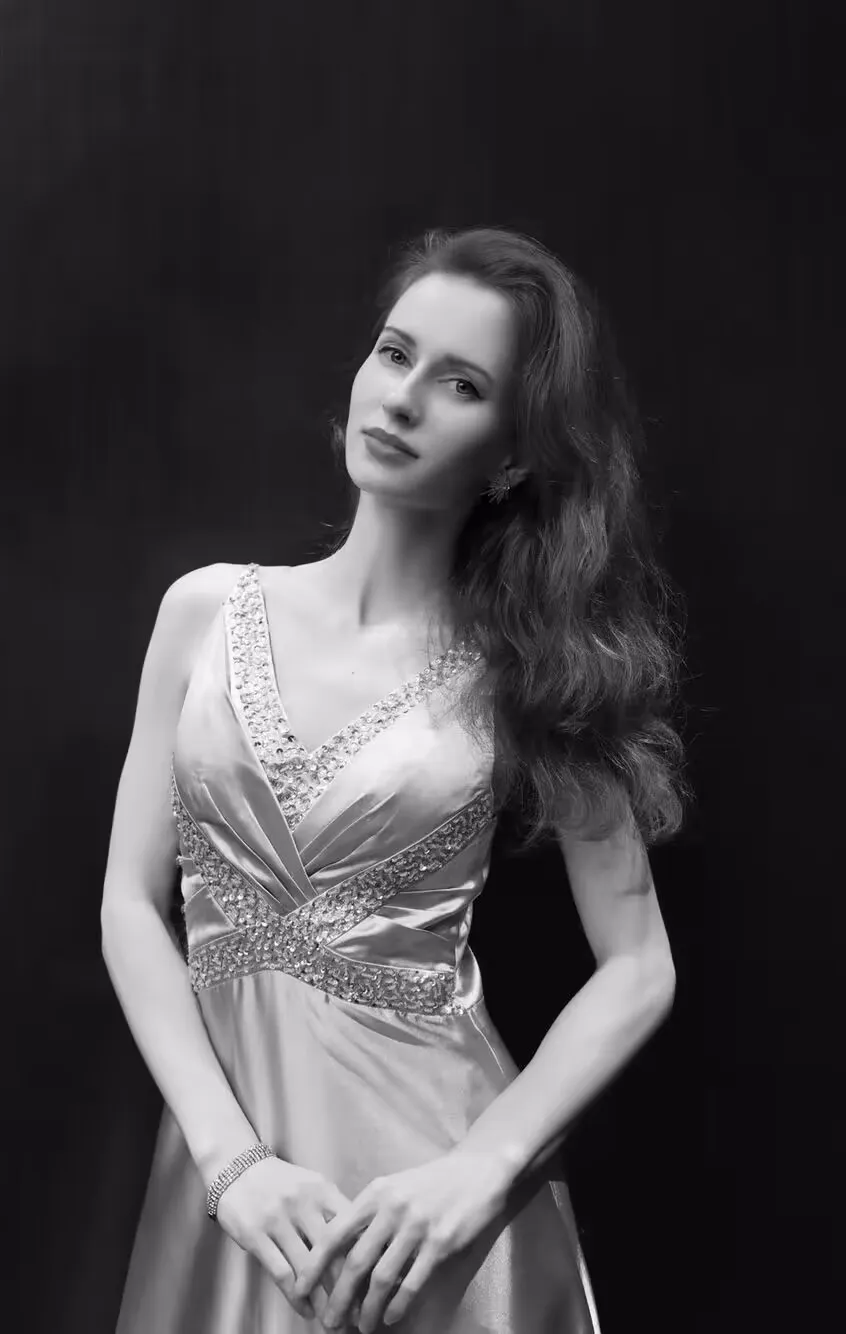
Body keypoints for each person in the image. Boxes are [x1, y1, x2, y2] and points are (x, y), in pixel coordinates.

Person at [102, 225, 688, 1333]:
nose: (404, 397)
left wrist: (481, 1167)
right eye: (394, 351)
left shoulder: (534, 670)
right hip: (238, 1185)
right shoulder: (203, 612)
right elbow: (132, 904)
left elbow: (638, 964)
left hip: (431, 1204)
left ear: (512, 457)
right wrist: (230, 1163)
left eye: (461, 384)